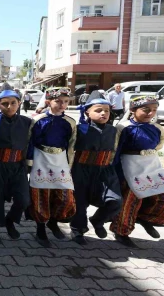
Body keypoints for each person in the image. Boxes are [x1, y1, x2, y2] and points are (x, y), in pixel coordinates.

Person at [110, 95, 164, 248]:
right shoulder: (124, 128)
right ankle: (121, 232)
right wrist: (116, 174)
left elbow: (158, 145)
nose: (150, 113)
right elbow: (115, 150)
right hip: (130, 167)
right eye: (146, 110)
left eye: (154, 110)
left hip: (151, 167)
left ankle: (144, 218)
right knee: (131, 200)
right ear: (133, 110)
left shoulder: (157, 128)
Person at [26, 87, 77, 248]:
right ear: (48, 102)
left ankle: (54, 221)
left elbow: (71, 144)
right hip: (41, 157)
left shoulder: (70, 122)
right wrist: (29, 162)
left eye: (66, 102)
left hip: (60, 159)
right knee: (41, 195)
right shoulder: (38, 119)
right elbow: (30, 140)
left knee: (65, 196)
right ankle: (40, 228)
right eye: (58, 101)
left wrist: (69, 164)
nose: (62, 105)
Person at [70, 91, 122, 245]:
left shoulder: (114, 130)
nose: (103, 114)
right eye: (98, 110)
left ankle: (98, 220)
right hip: (82, 169)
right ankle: (77, 229)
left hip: (105, 170)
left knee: (115, 200)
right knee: (80, 201)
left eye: (106, 111)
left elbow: (116, 150)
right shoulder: (79, 129)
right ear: (87, 111)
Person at [0, 89, 33, 244]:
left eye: (13, 103)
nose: (9, 106)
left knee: (24, 199)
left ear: (19, 103)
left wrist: (29, 164)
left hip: (17, 166)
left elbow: (30, 144)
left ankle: (10, 220)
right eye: (4, 103)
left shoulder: (27, 122)